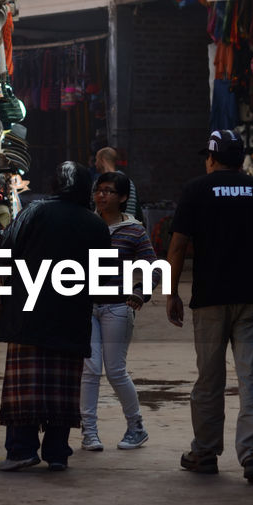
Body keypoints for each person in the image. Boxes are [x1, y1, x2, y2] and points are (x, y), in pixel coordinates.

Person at [165, 128, 253, 484]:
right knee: (252, 379)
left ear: (211, 158)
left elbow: (178, 246)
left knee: (209, 380)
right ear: (241, 159)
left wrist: (171, 292)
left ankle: (205, 452)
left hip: (210, 300)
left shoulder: (196, 190)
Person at [0, 161, 112, 471]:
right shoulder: (96, 224)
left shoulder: (35, 211)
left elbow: (5, 245)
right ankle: (57, 452)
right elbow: (103, 282)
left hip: (28, 314)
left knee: (27, 387)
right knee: (62, 389)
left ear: (54, 184)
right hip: (71, 317)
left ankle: (21, 450)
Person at [80, 171, 157, 452]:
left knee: (115, 370)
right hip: (88, 307)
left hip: (117, 307)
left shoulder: (134, 230)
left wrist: (140, 293)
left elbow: (152, 265)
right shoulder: (86, 224)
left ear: (123, 197)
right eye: (99, 190)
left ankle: (136, 426)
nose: (101, 195)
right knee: (89, 371)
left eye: (109, 191)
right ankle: (89, 432)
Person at [95, 146, 143, 221]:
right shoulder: (128, 181)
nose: (95, 163)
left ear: (102, 160)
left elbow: (130, 210)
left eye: (96, 160)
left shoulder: (124, 181)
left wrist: (126, 226)